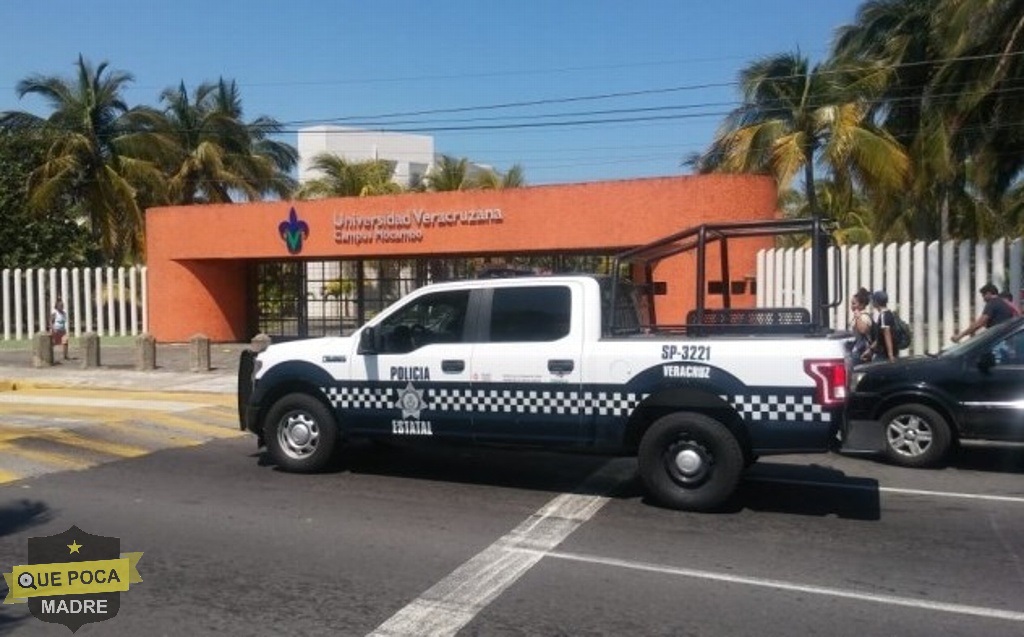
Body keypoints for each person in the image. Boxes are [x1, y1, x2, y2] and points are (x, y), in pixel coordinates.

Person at [952, 283, 1017, 343]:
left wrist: (960, 336)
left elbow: (980, 323)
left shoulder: (992, 303)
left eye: (983, 295)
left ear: (988, 293)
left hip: (998, 340)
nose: (983, 299)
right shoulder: (1001, 302)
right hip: (1005, 337)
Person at [867, 290, 898, 362]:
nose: (872, 303)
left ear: (876, 302)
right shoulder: (889, 313)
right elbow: (880, 338)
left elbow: (887, 335)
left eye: (873, 301)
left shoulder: (883, 316)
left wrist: (890, 356)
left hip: (884, 355)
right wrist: (870, 350)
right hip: (885, 353)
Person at [850, 287, 873, 362]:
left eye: (854, 304)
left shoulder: (864, 317)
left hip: (861, 351)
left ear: (862, 304)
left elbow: (863, 330)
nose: (852, 306)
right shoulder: (859, 316)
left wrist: (858, 317)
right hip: (856, 349)